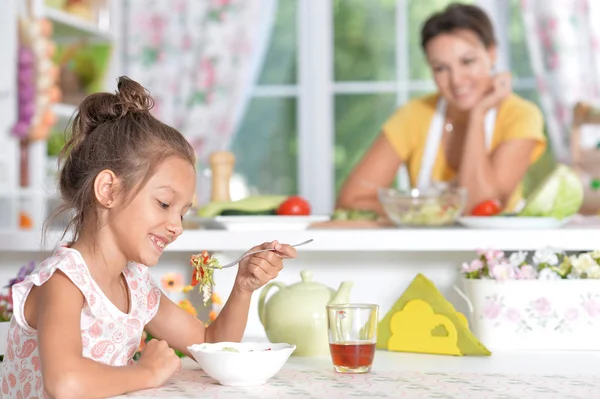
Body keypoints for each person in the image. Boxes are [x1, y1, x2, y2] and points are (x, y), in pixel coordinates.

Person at [0, 77, 297, 399]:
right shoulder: (64, 282)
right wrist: (147, 372)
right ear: (108, 190)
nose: (176, 226)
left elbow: (211, 346)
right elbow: (65, 384)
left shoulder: (136, 286)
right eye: (164, 204)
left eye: (182, 213)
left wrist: (243, 287)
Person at [337, 3, 546, 215]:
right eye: (441, 68)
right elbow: (352, 200)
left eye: (467, 61)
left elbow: (481, 206)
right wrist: (425, 210)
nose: (456, 80)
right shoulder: (413, 115)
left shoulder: (520, 115)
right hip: (426, 247)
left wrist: (477, 116)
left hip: (496, 247)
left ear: (491, 53)